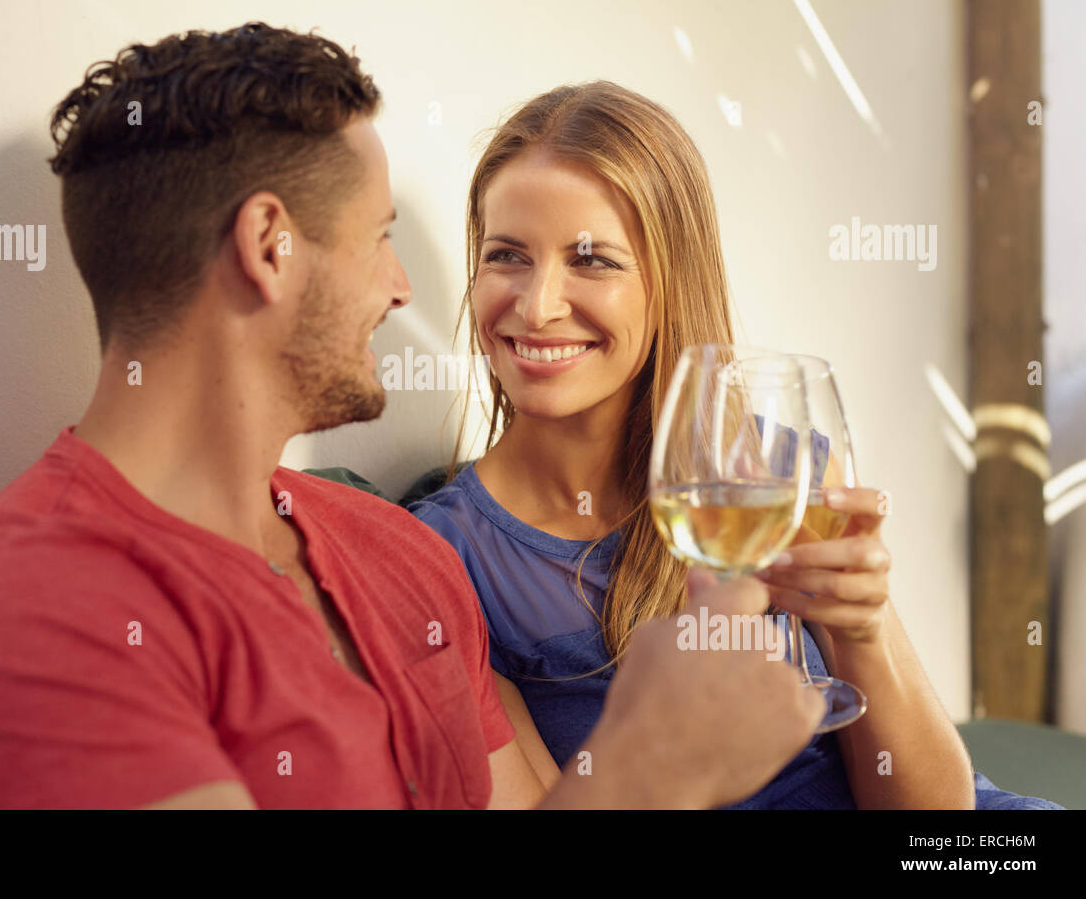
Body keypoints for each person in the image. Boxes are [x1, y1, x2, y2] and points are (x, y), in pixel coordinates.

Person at [0, 23, 825, 810]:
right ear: (269, 245)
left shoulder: (398, 556)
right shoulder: (19, 623)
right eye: (380, 237)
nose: (403, 288)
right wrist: (654, 771)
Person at [406, 80, 1062, 809]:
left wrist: (866, 632)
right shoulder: (444, 559)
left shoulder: (777, 476)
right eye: (507, 256)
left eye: (591, 261)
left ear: (669, 280)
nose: (537, 305)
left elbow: (943, 817)